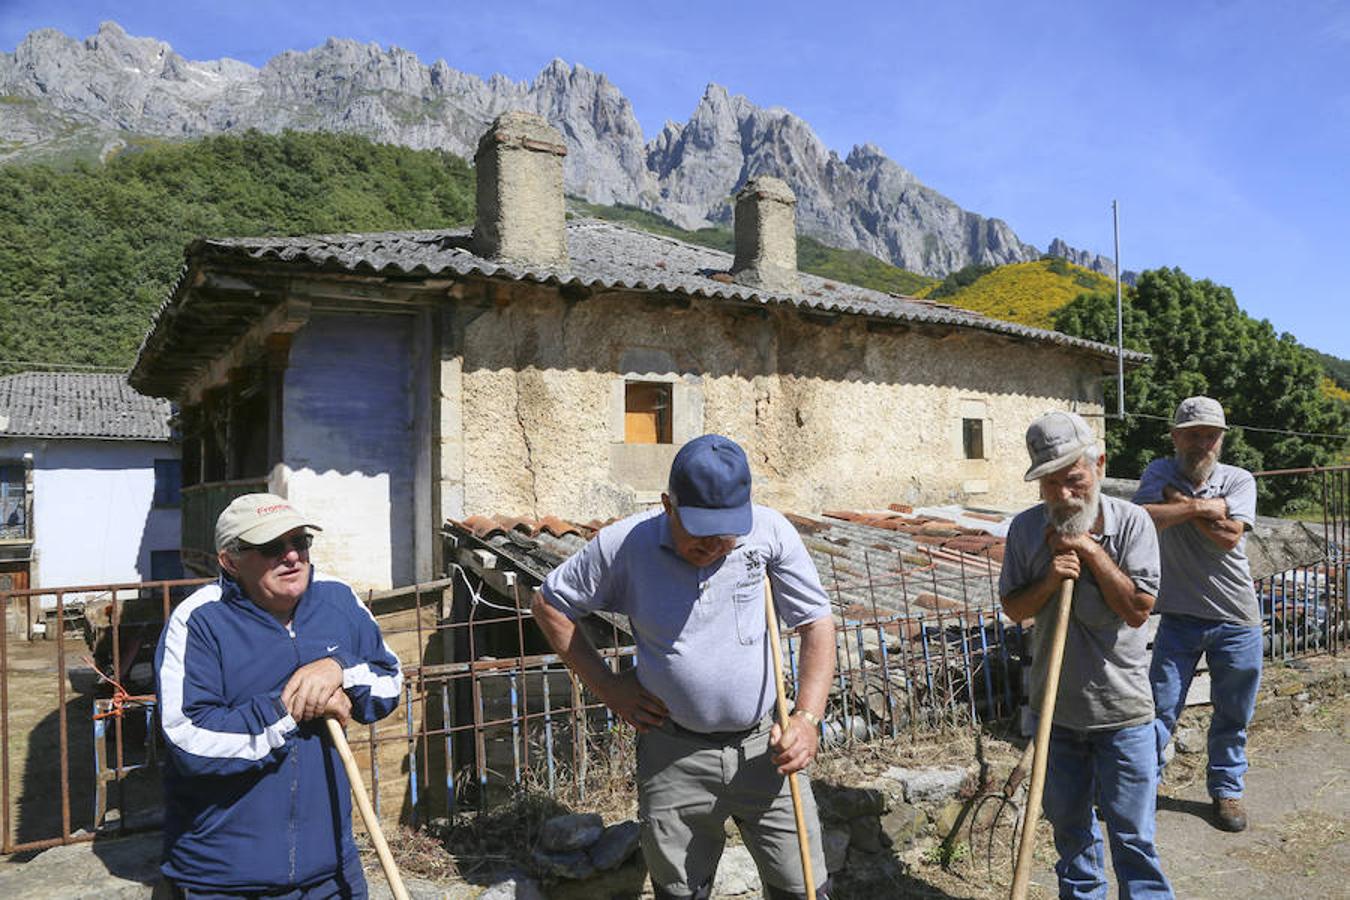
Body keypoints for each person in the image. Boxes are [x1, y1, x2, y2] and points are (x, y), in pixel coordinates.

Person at [532, 434, 835, 900]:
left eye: (726, 532)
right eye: (700, 530)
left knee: (805, 888)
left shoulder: (769, 533)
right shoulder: (625, 546)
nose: (715, 545)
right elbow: (550, 604)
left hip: (766, 748)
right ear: (667, 505)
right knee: (680, 892)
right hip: (674, 755)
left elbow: (816, 624)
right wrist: (610, 688)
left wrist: (808, 719)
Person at [154, 493, 403, 898]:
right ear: (230, 561)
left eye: (300, 542)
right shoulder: (199, 621)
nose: (292, 557)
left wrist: (338, 670)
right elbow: (187, 738)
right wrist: (290, 708)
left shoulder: (338, 599)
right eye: (272, 547)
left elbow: (389, 681)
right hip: (224, 879)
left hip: (331, 873)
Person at [999, 411, 1172, 899]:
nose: (1063, 495)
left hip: (1124, 715)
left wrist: (1092, 553)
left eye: (1072, 479)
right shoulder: (1026, 531)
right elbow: (1014, 607)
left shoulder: (1133, 523)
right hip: (1057, 715)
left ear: (1099, 464)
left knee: (1134, 839)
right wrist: (1052, 577)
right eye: (1049, 484)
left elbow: (1138, 609)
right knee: (1072, 838)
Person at [1133, 396, 1261, 833]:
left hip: (1237, 617)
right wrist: (1200, 506)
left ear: (1222, 440)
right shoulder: (1158, 472)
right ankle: (1142, 789)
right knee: (1158, 709)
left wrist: (1176, 504)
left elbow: (1229, 537)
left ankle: (1226, 790)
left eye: (1211, 435)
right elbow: (1144, 519)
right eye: (1193, 434)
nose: (1202, 443)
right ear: (1175, 436)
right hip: (1180, 616)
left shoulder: (1239, 479)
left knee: (1233, 713)